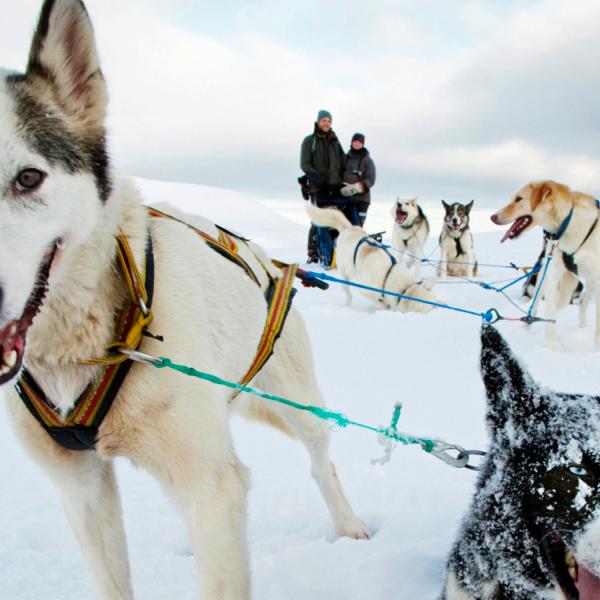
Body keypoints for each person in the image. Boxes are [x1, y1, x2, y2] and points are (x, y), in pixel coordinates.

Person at [300, 109, 346, 264]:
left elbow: (343, 159)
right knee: (319, 220)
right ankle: (318, 254)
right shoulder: (309, 141)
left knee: (337, 219)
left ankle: (336, 254)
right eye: (323, 120)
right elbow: (304, 164)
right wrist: (319, 180)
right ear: (318, 122)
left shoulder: (335, 141)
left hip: (335, 188)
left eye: (328, 121)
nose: (326, 123)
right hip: (318, 188)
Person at [340, 133, 376, 226]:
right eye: (355, 142)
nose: (357, 144)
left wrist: (359, 187)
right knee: (344, 224)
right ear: (351, 143)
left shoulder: (368, 161)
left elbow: (371, 179)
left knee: (357, 226)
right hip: (344, 198)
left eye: (359, 142)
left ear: (362, 144)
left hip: (362, 199)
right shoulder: (344, 158)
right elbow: (338, 173)